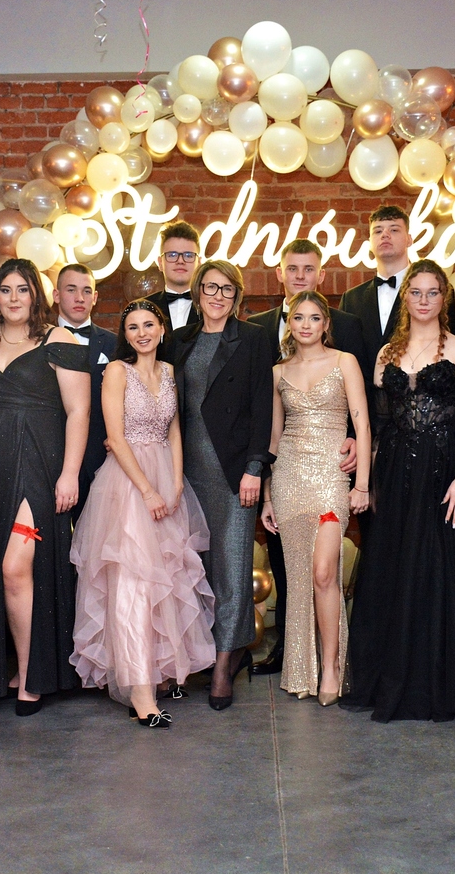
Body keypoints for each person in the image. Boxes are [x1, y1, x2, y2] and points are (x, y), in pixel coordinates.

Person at [342, 261, 455, 723]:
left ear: (444, 299)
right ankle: (392, 679)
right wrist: (368, 482)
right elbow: (377, 424)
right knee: (394, 571)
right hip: (395, 473)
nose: (424, 300)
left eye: (433, 292)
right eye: (416, 292)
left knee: (438, 573)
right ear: (405, 298)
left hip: (446, 472)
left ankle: (438, 685)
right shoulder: (386, 352)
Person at [70, 299, 216, 728]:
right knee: (132, 584)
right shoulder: (117, 372)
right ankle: (139, 691)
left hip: (165, 478)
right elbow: (115, 438)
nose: (141, 333)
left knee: (164, 580)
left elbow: (174, 429)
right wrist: (149, 491)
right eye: (132, 327)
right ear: (126, 335)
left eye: (148, 325)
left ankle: (156, 671)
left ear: (162, 328)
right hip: (128, 483)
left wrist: (175, 482)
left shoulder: (169, 371)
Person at [0, 258, 90, 715]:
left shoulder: (58, 339)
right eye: (5, 290)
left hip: (40, 465)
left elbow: (79, 411)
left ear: (36, 296)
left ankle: (30, 676)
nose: (14, 298)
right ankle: (11, 668)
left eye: (22, 289)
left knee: (14, 567)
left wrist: (69, 473)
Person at [249, 238, 365, 677]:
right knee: (295, 577)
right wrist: (266, 495)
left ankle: (332, 667)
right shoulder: (274, 364)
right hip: (289, 477)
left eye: (315, 317)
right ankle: (299, 664)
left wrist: (362, 479)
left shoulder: (346, 355)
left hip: (332, 474)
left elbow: (363, 419)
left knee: (323, 573)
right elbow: (271, 433)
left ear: (325, 323)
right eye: (298, 317)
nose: (306, 324)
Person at [169, 260, 273, 710]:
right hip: (186, 472)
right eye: (210, 287)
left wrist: (255, 467)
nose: (217, 296)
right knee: (196, 568)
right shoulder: (179, 341)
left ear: (237, 297)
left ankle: (223, 664)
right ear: (197, 292)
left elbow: (263, 407)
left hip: (233, 473)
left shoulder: (252, 339)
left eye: (227, 290)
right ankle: (208, 653)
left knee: (231, 569)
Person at [341, 206, 455, 391]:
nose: (385, 235)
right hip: (361, 399)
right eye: (378, 231)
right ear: (369, 242)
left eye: (394, 230)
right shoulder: (351, 298)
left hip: (419, 399)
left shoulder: (437, 292)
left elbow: (447, 348)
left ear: (409, 239)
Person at [53, 263, 118, 520]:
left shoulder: (115, 343)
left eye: (87, 291)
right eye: (71, 290)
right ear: (57, 295)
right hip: (53, 455)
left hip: (102, 457)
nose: (80, 298)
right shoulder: (40, 340)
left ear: (95, 297)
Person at [145, 221, 204, 331]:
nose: (180, 261)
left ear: (199, 263)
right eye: (172, 255)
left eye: (188, 255)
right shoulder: (143, 307)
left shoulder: (213, 307)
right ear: (160, 263)